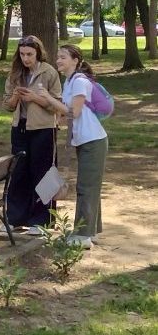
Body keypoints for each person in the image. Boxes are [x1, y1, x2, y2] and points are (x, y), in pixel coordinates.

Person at [2, 35, 62, 234]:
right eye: (22, 54)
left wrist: (35, 98)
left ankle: (42, 221)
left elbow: (57, 106)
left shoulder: (49, 72)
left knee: (42, 172)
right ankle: (15, 218)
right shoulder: (15, 73)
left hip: (43, 129)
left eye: (29, 54)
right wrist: (16, 97)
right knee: (19, 173)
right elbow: (7, 106)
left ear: (38, 53)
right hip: (20, 128)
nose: (26, 59)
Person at [55, 44, 108, 249]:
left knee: (86, 187)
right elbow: (72, 114)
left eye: (63, 57)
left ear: (75, 61)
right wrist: (59, 119)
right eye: (58, 57)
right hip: (83, 139)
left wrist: (48, 99)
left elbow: (74, 112)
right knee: (89, 186)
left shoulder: (79, 81)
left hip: (93, 140)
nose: (59, 60)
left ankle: (83, 236)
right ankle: (91, 230)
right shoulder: (68, 81)